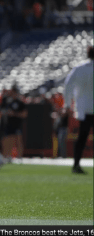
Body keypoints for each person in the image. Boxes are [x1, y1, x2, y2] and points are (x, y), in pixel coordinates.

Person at [63, 46, 94, 174]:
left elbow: (67, 85)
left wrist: (68, 105)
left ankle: (76, 165)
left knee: (82, 137)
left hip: (84, 108)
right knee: (82, 137)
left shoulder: (79, 68)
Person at [1, 85, 27, 163]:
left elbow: (24, 114)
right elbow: (2, 110)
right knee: (8, 140)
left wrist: (14, 114)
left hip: (17, 124)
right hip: (9, 124)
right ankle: (8, 156)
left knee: (18, 140)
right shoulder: (8, 102)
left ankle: (19, 157)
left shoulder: (20, 102)